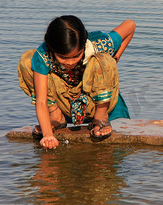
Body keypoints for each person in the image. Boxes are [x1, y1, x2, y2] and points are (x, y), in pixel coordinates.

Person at [18, 15, 135, 149]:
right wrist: (48, 135)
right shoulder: (43, 55)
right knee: (27, 59)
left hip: (96, 102)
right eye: (63, 57)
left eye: (76, 56)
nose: (70, 62)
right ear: (52, 49)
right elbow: (41, 101)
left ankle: (101, 118)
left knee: (105, 60)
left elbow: (130, 24)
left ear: (83, 45)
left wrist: (116, 57)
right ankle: (56, 117)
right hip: (65, 102)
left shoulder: (99, 43)